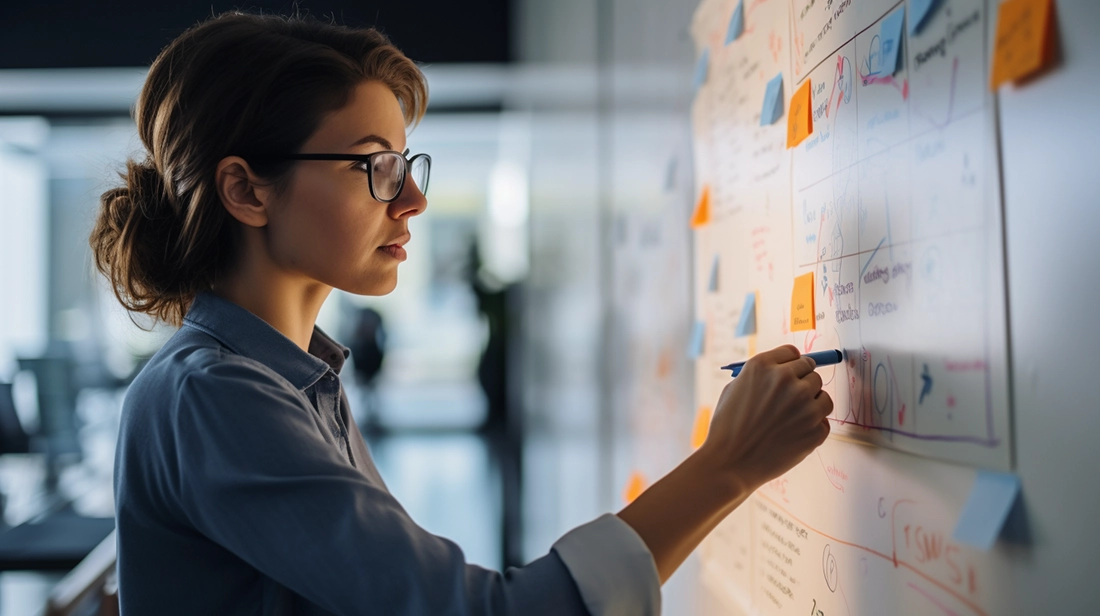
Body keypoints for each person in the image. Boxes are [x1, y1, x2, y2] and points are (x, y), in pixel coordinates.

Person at [89, 11, 833, 616]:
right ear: (247, 191)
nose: (412, 199)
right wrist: (728, 465)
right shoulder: (215, 396)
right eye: (375, 166)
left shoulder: (294, 379)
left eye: (407, 166)